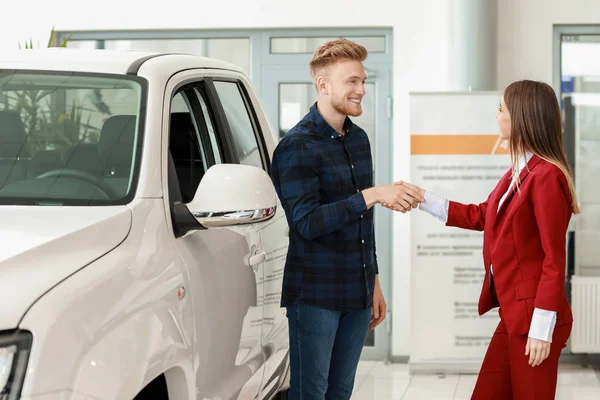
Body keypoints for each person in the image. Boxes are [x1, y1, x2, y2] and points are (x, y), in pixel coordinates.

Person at [399, 80, 578, 399]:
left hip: (535, 317)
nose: (496, 115)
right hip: (515, 312)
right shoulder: (519, 171)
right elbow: (484, 215)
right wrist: (423, 198)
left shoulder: (546, 175)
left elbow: (554, 259)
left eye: (502, 109)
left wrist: (541, 329)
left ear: (523, 117)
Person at [271, 39, 423, 399]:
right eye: (351, 82)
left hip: (356, 290)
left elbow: (361, 226)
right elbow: (306, 222)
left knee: (341, 391)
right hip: (315, 295)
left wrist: (374, 281)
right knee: (312, 392)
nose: (361, 90)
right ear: (323, 86)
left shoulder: (359, 140)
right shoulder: (297, 146)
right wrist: (372, 195)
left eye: (363, 81)